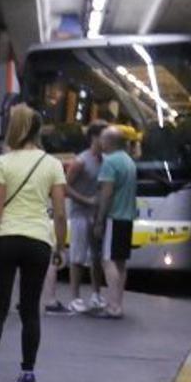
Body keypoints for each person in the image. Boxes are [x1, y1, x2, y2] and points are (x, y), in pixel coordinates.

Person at [0, 103, 68, 382]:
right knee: (30, 310)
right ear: (38, 131)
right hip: (38, 241)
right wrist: (60, 246)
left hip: (6, 240)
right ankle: (27, 374)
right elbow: (60, 214)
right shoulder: (52, 165)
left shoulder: (3, 162)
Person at [59, 121, 108, 313]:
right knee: (78, 256)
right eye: (104, 136)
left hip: (97, 215)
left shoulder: (105, 160)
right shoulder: (80, 161)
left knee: (97, 257)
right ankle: (75, 298)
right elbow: (64, 187)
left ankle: (96, 295)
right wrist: (86, 200)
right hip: (80, 214)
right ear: (94, 138)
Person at [92, 125, 139, 319]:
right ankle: (118, 303)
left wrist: (99, 220)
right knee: (120, 262)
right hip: (127, 217)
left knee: (107, 260)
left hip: (114, 217)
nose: (100, 142)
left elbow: (107, 193)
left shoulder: (110, 162)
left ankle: (112, 305)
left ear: (110, 142)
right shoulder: (129, 161)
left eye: (103, 139)